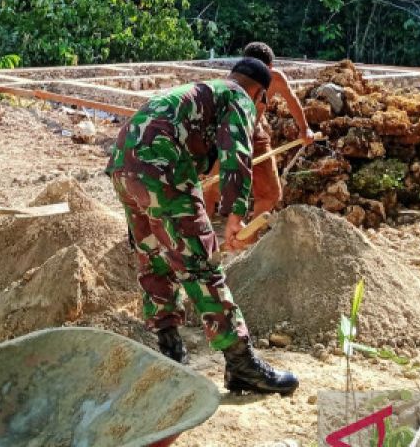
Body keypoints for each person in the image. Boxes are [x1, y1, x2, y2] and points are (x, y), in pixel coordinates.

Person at [108, 57, 299, 395]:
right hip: (161, 166)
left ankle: (169, 349)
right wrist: (235, 215)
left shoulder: (204, 92)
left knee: (153, 256)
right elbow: (236, 154)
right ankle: (242, 364)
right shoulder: (238, 96)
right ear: (260, 96)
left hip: (124, 165)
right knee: (200, 265)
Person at [203, 42, 317, 232]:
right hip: (229, 136)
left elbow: (292, 100)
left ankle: (245, 242)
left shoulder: (276, 78)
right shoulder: (234, 82)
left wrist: (305, 129)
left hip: (256, 136)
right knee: (210, 189)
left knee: (270, 193)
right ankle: (203, 243)